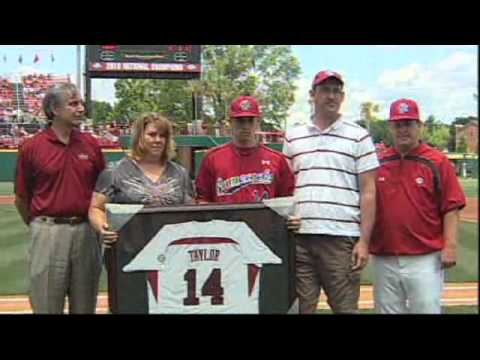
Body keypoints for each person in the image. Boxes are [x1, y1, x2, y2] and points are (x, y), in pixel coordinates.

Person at [283, 70, 379, 314]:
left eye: (336, 91)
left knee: (344, 308)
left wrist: (364, 241)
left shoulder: (359, 136)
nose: (331, 96)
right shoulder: (293, 136)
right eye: (325, 90)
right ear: (312, 95)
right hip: (300, 238)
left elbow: (369, 191)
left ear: (343, 97)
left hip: (341, 238)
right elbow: (285, 186)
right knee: (301, 309)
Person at [14, 83, 106, 314]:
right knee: (46, 305)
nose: (80, 108)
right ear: (54, 109)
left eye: (81, 103)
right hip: (48, 231)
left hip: (86, 232)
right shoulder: (32, 147)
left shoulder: (91, 144)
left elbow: (103, 191)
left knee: (85, 305)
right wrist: (41, 226)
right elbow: (22, 198)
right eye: (73, 103)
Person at [369, 99, 466, 314]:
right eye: (398, 124)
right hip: (384, 256)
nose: (403, 130)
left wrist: (450, 246)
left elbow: (451, 206)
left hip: (425, 257)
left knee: (426, 310)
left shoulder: (437, 161)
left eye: (409, 124)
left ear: (419, 126)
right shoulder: (378, 163)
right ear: (390, 127)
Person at [89, 112, 193, 249]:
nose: (158, 140)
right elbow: (96, 207)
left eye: (163, 136)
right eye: (152, 135)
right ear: (139, 137)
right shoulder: (115, 171)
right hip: (127, 250)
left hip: (171, 250)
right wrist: (103, 228)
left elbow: (191, 211)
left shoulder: (180, 173)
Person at [195, 95, 300, 231]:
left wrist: (292, 219)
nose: (245, 126)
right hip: (226, 233)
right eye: (240, 121)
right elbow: (203, 200)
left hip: (264, 233)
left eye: (250, 120)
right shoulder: (213, 158)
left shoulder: (277, 160)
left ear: (257, 122)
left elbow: (286, 202)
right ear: (231, 122)